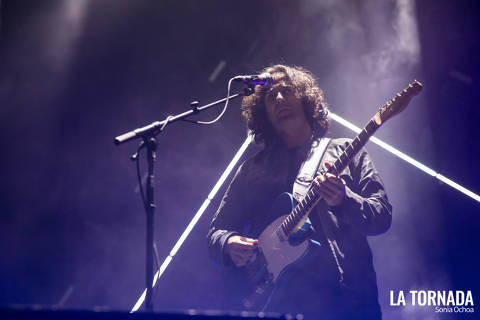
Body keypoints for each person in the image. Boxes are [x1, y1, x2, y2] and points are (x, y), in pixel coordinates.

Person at [207, 65, 392, 320]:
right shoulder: (251, 170)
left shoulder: (345, 151)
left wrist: (344, 199)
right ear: (264, 113)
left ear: (305, 98)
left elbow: (381, 217)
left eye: (287, 90)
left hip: (348, 301)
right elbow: (217, 230)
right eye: (271, 96)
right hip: (275, 304)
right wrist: (227, 243)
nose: (280, 98)